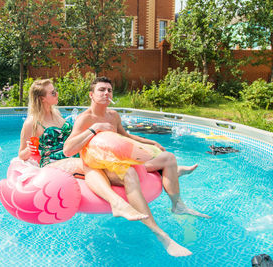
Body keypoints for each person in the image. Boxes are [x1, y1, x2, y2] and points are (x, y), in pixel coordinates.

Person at [63, 77, 211, 256]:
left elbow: (125, 137)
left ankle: (177, 205)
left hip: (119, 159)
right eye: (101, 90)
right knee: (131, 172)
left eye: (109, 90)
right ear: (91, 95)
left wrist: (150, 141)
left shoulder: (113, 115)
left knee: (168, 158)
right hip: (102, 166)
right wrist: (94, 129)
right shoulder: (85, 118)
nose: (106, 93)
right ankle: (161, 235)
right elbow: (68, 150)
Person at [18, 79, 148, 221]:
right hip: (52, 162)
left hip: (73, 157)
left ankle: (135, 199)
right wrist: (30, 150)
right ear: (42, 98)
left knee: (104, 164)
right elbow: (21, 154)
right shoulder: (31, 122)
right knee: (87, 164)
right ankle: (117, 203)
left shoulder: (57, 115)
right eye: (53, 92)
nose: (57, 93)